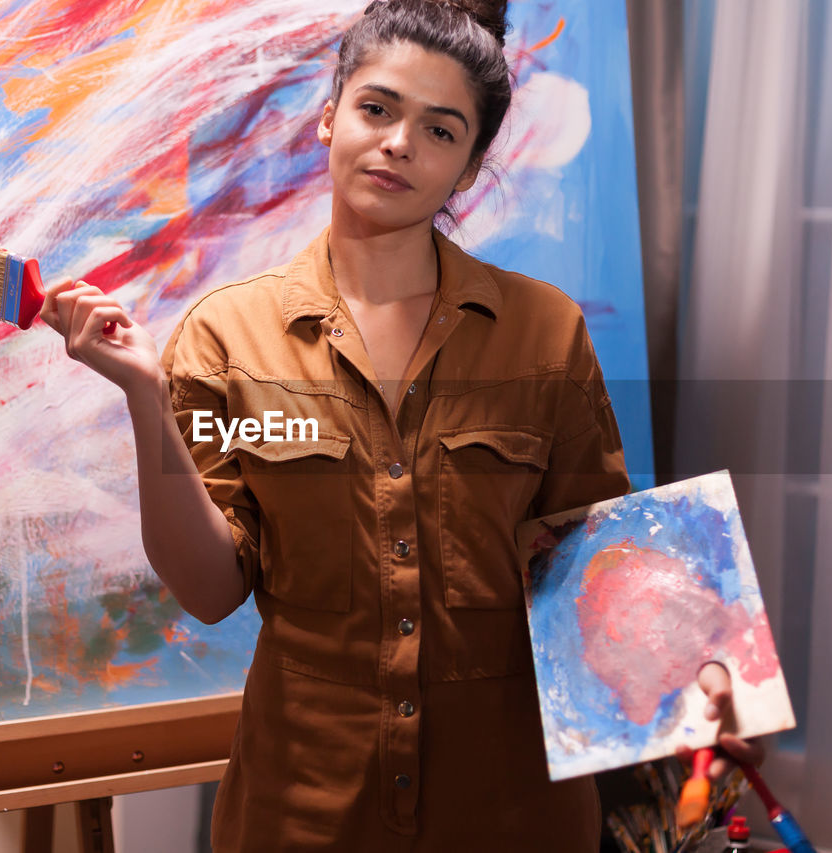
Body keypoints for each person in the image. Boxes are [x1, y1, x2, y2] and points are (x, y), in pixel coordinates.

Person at [40, 0, 761, 849]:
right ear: (329, 114)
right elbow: (209, 590)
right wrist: (142, 397)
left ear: (467, 168)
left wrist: (702, 676)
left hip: (512, 814)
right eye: (377, 108)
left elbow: (597, 571)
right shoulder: (224, 335)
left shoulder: (544, 331)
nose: (399, 143)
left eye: (441, 130)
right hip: (303, 813)